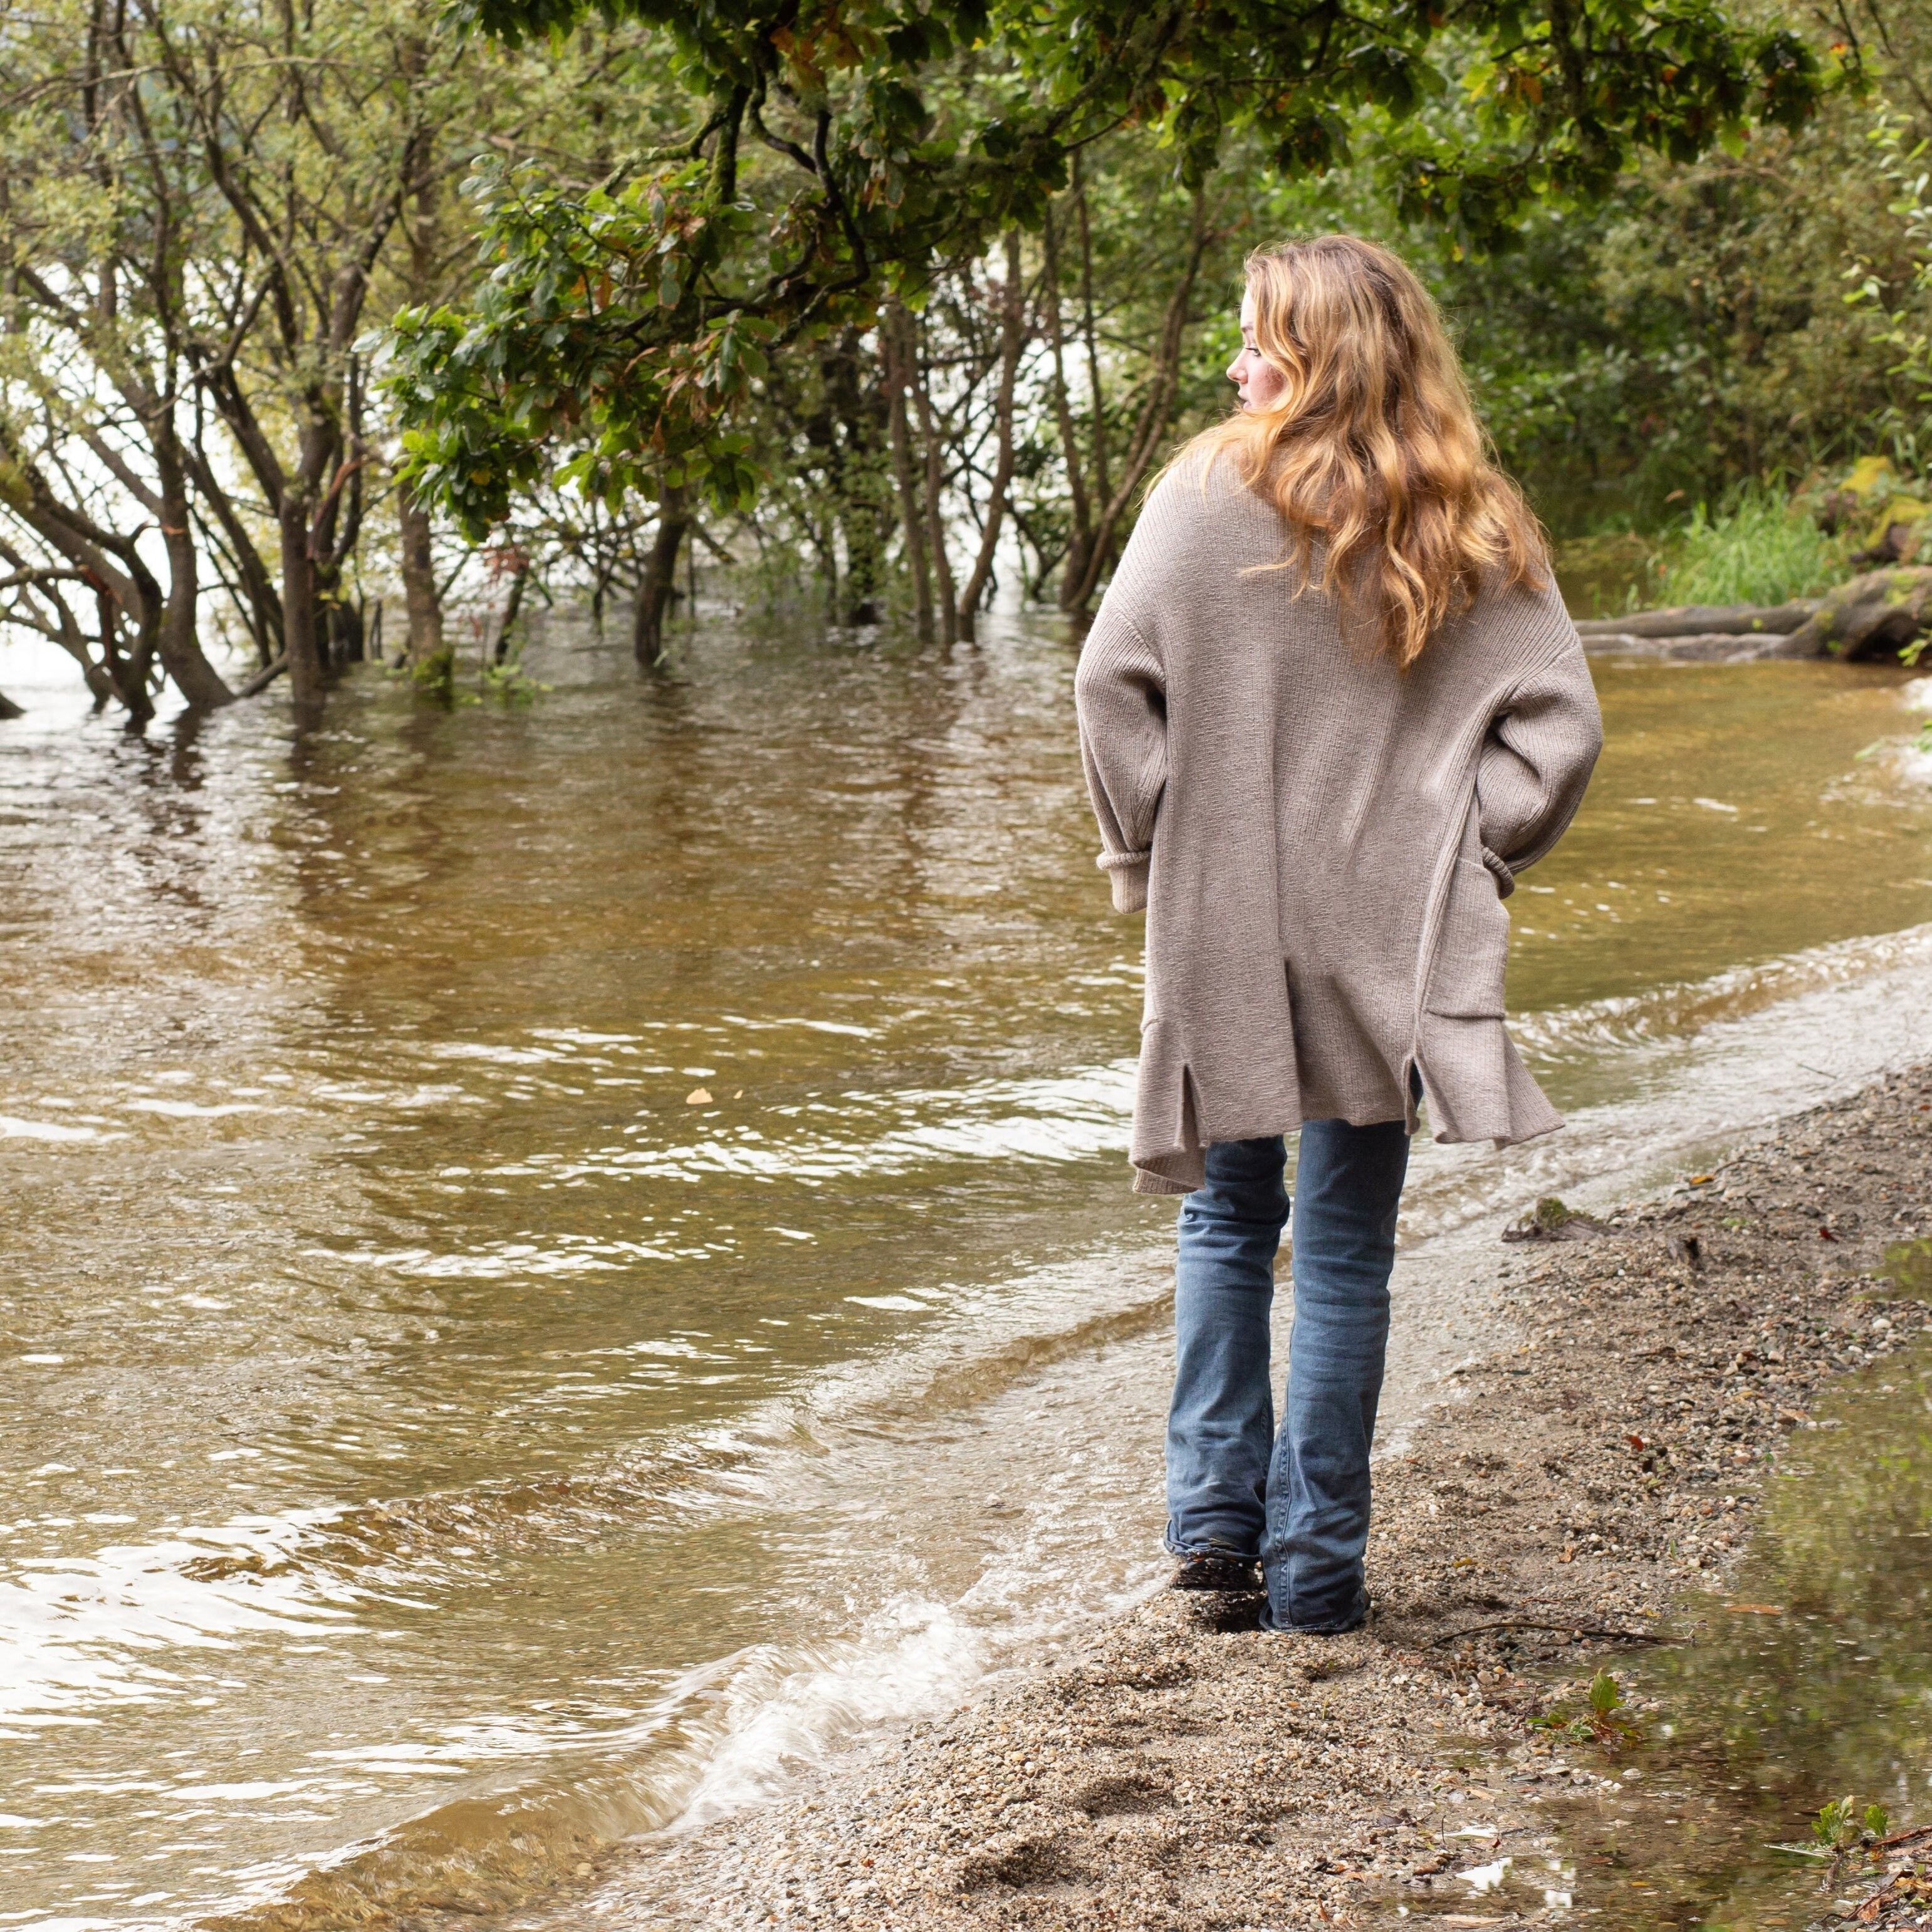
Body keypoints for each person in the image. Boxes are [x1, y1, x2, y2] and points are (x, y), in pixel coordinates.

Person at [1073, 234, 1602, 1635]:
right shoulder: (1472, 517)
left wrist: (1151, 847)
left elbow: (1106, 686)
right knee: (1351, 1248)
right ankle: (1318, 1574)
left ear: (1312, 355)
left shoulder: (1202, 494)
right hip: (1390, 936)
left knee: (1231, 1220)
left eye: (1257, 341)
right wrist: (1469, 847)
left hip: (1227, 918)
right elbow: (1563, 727)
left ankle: (1214, 1541)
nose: (1235, 366)